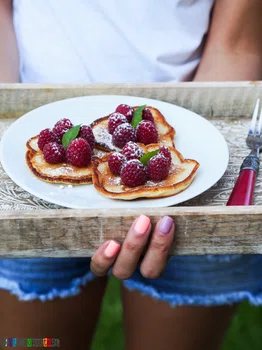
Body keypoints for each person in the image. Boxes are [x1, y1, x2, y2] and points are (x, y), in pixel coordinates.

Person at [1, 1, 262, 349]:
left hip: (194, 164)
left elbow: (236, 42)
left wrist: (176, 191)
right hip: (25, 178)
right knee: (31, 344)